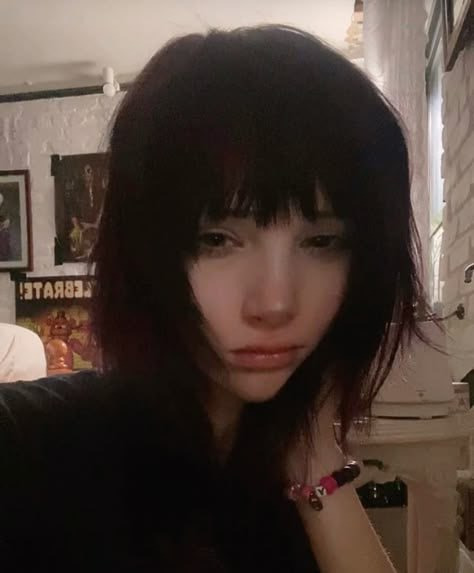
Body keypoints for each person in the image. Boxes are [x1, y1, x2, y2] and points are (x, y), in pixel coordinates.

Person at [0, 25, 432, 572]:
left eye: (322, 242)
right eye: (218, 240)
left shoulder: (286, 467)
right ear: (146, 249)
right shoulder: (34, 450)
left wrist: (316, 459)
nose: (274, 303)